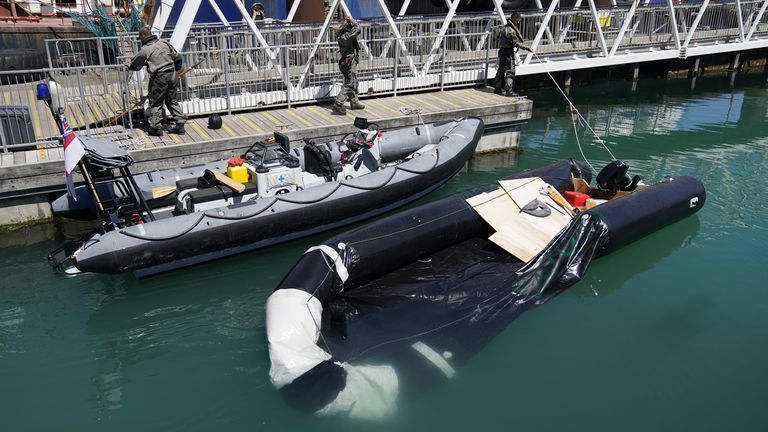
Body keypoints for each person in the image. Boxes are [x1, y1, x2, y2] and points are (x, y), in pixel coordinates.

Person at [129, 27, 187, 136]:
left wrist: (128, 66)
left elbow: (136, 65)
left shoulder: (146, 49)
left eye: (140, 37)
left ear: (143, 36)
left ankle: (156, 128)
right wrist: (177, 69)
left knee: (156, 102)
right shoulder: (164, 42)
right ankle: (180, 125)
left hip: (159, 77)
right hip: (172, 74)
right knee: (172, 100)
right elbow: (177, 56)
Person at [332, 16, 365, 115]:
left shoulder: (343, 35)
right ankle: (338, 104)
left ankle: (354, 102)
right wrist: (352, 20)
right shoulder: (346, 36)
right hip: (348, 62)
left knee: (353, 81)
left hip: (347, 61)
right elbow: (358, 29)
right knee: (349, 84)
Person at [494, 12, 533, 97]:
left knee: (501, 69)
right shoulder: (510, 31)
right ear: (513, 19)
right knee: (510, 71)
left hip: (502, 51)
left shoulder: (503, 28)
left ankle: (497, 88)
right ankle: (509, 91)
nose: (518, 23)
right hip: (508, 52)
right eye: (518, 21)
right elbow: (515, 43)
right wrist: (526, 48)